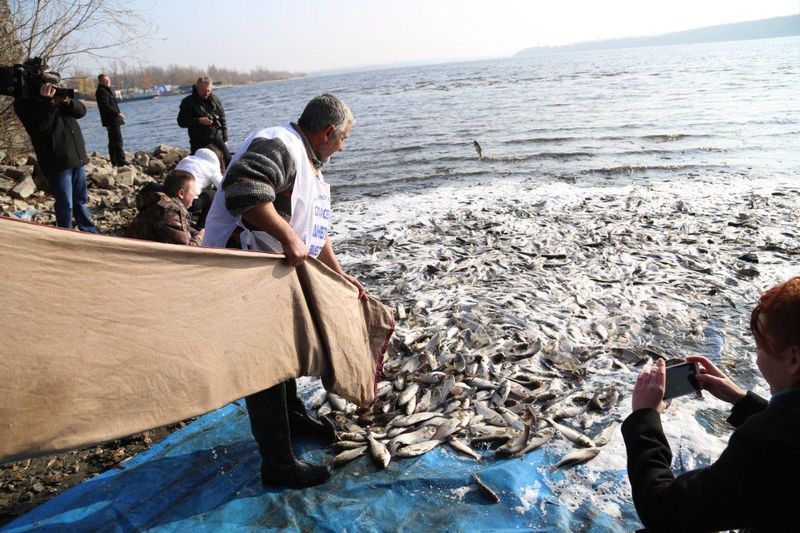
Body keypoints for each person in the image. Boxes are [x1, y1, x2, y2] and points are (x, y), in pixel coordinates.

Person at [203, 94, 366, 489]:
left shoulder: (311, 163)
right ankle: (277, 464)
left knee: (284, 353)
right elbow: (242, 191)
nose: (342, 147)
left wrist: (341, 276)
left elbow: (315, 232)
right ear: (327, 132)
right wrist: (287, 237)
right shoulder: (278, 144)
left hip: (271, 275)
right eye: (342, 138)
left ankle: (292, 421)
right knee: (264, 368)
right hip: (241, 272)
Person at [623, 277, 800, 532]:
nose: (757, 356)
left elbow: (664, 510)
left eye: (760, 346)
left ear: (794, 359)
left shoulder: (762, 445)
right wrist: (741, 400)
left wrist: (643, 418)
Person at [13, 59, 97, 232]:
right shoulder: (24, 101)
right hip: (56, 158)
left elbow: (81, 111)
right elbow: (39, 128)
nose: (50, 80)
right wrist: (46, 103)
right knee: (65, 203)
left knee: (80, 199)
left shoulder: (57, 93)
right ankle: (64, 234)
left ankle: (88, 231)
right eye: (45, 75)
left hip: (76, 155)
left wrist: (66, 101)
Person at [126, 170, 203, 246]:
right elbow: (185, 250)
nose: (195, 196)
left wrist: (196, 233)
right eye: (193, 192)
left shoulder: (164, 205)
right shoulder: (167, 212)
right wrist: (200, 237)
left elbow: (181, 229)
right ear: (181, 193)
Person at [176, 77, 230, 163]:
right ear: (197, 88)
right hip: (198, 141)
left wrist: (225, 137)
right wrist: (199, 121)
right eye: (204, 91)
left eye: (208, 91)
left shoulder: (215, 99)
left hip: (217, 138)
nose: (206, 93)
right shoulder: (187, 102)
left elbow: (223, 119)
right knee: (200, 165)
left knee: (228, 159)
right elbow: (181, 122)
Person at [174, 144, 225, 229]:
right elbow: (222, 186)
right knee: (212, 195)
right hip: (189, 201)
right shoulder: (212, 166)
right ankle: (201, 228)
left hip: (173, 194)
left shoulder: (188, 159)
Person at [95, 74, 126, 167]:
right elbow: (106, 106)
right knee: (117, 140)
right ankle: (120, 161)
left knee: (113, 140)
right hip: (111, 119)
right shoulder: (102, 91)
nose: (107, 82)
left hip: (111, 119)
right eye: (105, 81)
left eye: (108, 81)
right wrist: (117, 114)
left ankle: (114, 161)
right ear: (100, 82)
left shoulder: (105, 90)